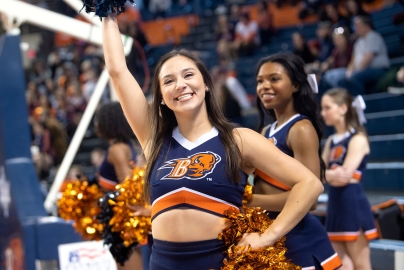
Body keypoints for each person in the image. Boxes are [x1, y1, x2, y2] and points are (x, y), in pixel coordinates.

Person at [102, 13, 323, 269]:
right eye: (169, 81)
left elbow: (309, 184)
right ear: (161, 96)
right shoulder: (154, 139)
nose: (180, 85)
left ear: (206, 84)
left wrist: (269, 236)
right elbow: (117, 71)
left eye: (188, 75)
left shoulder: (239, 140)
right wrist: (108, 12)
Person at [248, 53, 341, 269]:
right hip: (276, 235)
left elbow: (311, 200)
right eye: (260, 81)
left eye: (274, 79)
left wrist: (252, 201)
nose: (264, 86)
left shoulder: (301, 128)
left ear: (296, 85)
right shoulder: (266, 130)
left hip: (300, 239)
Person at [321, 88, 378, 270]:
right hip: (335, 205)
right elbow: (317, 174)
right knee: (342, 266)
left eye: (327, 108)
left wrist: (325, 175)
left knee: (362, 266)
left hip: (353, 205)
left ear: (343, 109)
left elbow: (343, 177)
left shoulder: (358, 138)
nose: (323, 113)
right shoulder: (331, 140)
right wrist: (329, 175)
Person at [94, 101, 143, 270]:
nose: (95, 124)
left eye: (98, 119)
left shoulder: (117, 150)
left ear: (108, 122)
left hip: (122, 221)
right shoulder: (124, 146)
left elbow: (128, 187)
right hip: (118, 220)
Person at [337, 16, 390, 95]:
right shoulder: (358, 42)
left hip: (378, 70)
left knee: (355, 78)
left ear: (367, 26)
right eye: (356, 27)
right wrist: (349, 72)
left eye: (359, 26)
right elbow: (353, 60)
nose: (357, 29)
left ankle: (362, 102)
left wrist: (355, 72)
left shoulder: (373, 36)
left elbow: (368, 57)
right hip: (363, 70)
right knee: (342, 81)